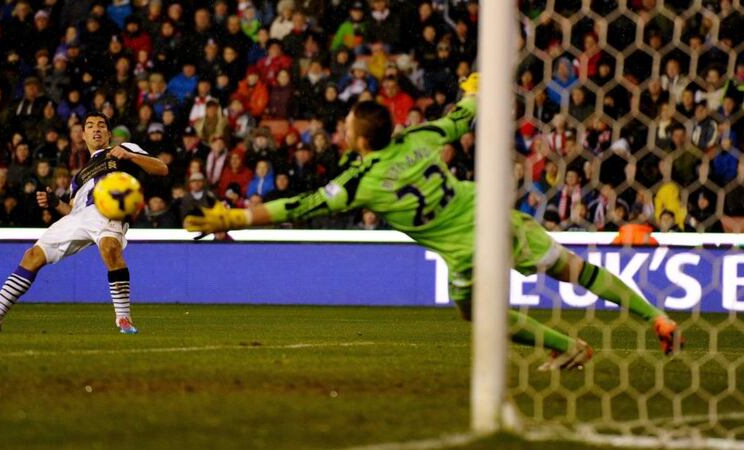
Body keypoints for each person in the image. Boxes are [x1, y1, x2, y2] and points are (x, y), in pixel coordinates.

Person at [185, 74, 684, 371]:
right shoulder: (418, 137)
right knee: (575, 270)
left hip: (466, 249)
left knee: (478, 317)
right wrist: (473, 89)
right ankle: (654, 317)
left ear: (360, 141)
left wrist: (235, 215)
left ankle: (568, 346)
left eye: (346, 127)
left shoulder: (360, 181)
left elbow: (298, 205)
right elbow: (464, 115)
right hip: (492, 213)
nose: (341, 130)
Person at [0, 112, 168, 334]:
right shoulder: (78, 177)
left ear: (109, 134)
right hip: (78, 217)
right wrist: (54, 203)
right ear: (83, 135)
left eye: (101, 125)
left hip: (107, 211)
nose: (96, 129)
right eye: (90, 126)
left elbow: (161, 168)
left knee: (110, 248)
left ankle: (123, 319)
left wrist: (130, 156)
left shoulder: (123, 149)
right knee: (32, 256)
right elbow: (71, 211)